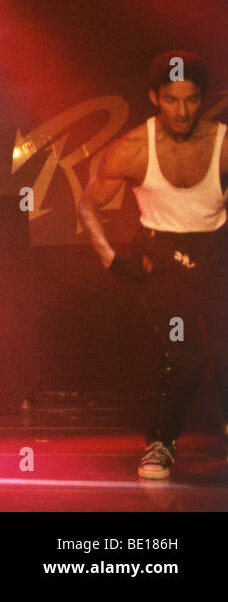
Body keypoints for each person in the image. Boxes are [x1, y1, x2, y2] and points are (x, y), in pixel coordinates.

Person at [78, 51, 226, 480]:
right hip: (160, 260)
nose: (183, 111)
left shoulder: (223, 144)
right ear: (154, 97)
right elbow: (88, 206)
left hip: (217, 254)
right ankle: (161, 442)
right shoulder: (133, 148)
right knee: (186, 352)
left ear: (203, 99)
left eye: (192, 100)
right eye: (173, 100)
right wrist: (110, 260)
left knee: (224, 348)